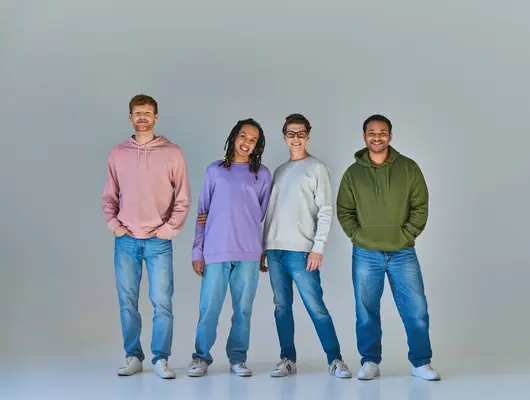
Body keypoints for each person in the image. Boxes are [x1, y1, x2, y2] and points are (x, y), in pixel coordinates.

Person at [336, 114, 441, 381]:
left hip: (402, 251)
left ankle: (421, 363)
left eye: (383, 132)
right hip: (365, 253)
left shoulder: (409, 168)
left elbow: (420, 207)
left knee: (415, 309)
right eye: (372, 132)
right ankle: (370, 361)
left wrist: (405, 235)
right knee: (366, 310)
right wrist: (358, 236)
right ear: (364, 137)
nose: (377, 137)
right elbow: (344, 211)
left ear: (390, 136)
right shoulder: (353, 173)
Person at [101, 94, 191, 379]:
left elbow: (184, 198)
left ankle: (161, 359)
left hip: (158, 241)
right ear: (130, 118)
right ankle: (133, 356)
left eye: (148, 113)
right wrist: (115, 225)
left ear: (156, 117)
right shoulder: (117, 153)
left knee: (162, 301)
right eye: (137, 113)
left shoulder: (172, 153)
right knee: (127, 300)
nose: (142, 117)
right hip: (125, 240)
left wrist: (168, 230)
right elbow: (109, 195)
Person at [259, 114, 352, 378]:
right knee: (281, 307)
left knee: (315, 306)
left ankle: (335, 360)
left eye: (301, 133)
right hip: (275, 250)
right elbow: (272, 211)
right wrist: (264, 247)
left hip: (301, 251)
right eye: (291, 133)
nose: (296, 138)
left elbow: (325, 210)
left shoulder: (316, 168)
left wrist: (318, 248)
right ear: (284, 136)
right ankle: (287, 358)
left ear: (308, 135)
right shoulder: (279, 171)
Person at [188, 118, 272, 378]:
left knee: (243, 309)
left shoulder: (262, 174)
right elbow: (202, 212)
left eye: (253, 140)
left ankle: (237, 358)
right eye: (243, 136)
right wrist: (197, 251)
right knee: (209, 308)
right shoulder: (214, 171)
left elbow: (263, 216)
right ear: (234, 136)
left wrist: (262, 251)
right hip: (215, 251)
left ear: (257, 145)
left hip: (248, 252)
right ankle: (201, 357)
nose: (247, 142)